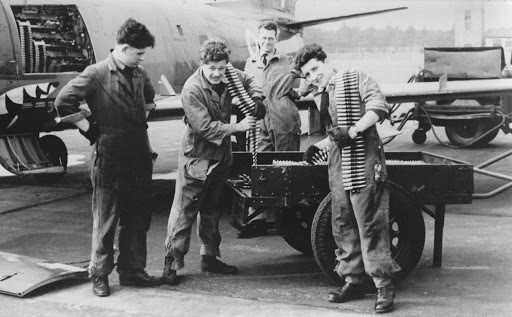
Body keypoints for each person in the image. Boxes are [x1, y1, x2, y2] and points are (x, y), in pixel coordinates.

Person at [54, 18, 161, 297]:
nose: (141, 58)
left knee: (138, 216)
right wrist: (91, 130)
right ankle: (99, 275)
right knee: (106, 218)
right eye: (138, 53)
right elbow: (63, 101)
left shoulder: (139, 74)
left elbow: (149, 100)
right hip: (110, 155)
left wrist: (135, 123)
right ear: (124, 48)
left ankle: (133, 271)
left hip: (138, 152)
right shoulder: (96, 73)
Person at [295, 44, 400, 314]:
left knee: (371, 222)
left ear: (327, 62)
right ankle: (354, 280)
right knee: (342, 222)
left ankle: (383, 286)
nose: (313, 76)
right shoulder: (323, 94)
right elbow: (336, 134)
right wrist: (319, 147)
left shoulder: (354, 77)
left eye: (316, 69)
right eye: (308, 74)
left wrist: (353, 131)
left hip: (365, 157)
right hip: (340, 163)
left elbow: (379, 107)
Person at [162, 38, 264, 285]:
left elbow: (249, 80)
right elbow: (204, 127)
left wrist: (256, 98)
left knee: (212, 209)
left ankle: (210, 257)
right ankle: (171, 264)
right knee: (185, 211)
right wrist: (237, 126)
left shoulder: (228, 73)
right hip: (198, 157)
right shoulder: (192, 89)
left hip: (221, 157)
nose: (218, 74)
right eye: (212, 69)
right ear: (202, 65)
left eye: (222, 68)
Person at [244, 19, 302, 152]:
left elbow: (310, 75)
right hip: (259, 124)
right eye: (264, 38)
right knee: (261, 165)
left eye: (271, 38)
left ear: (276, 39)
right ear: (258, 38)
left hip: (284, 121)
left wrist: (299, 92)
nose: (267, 42)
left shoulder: (287, 61)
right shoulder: (250, 63)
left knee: (287, 164)